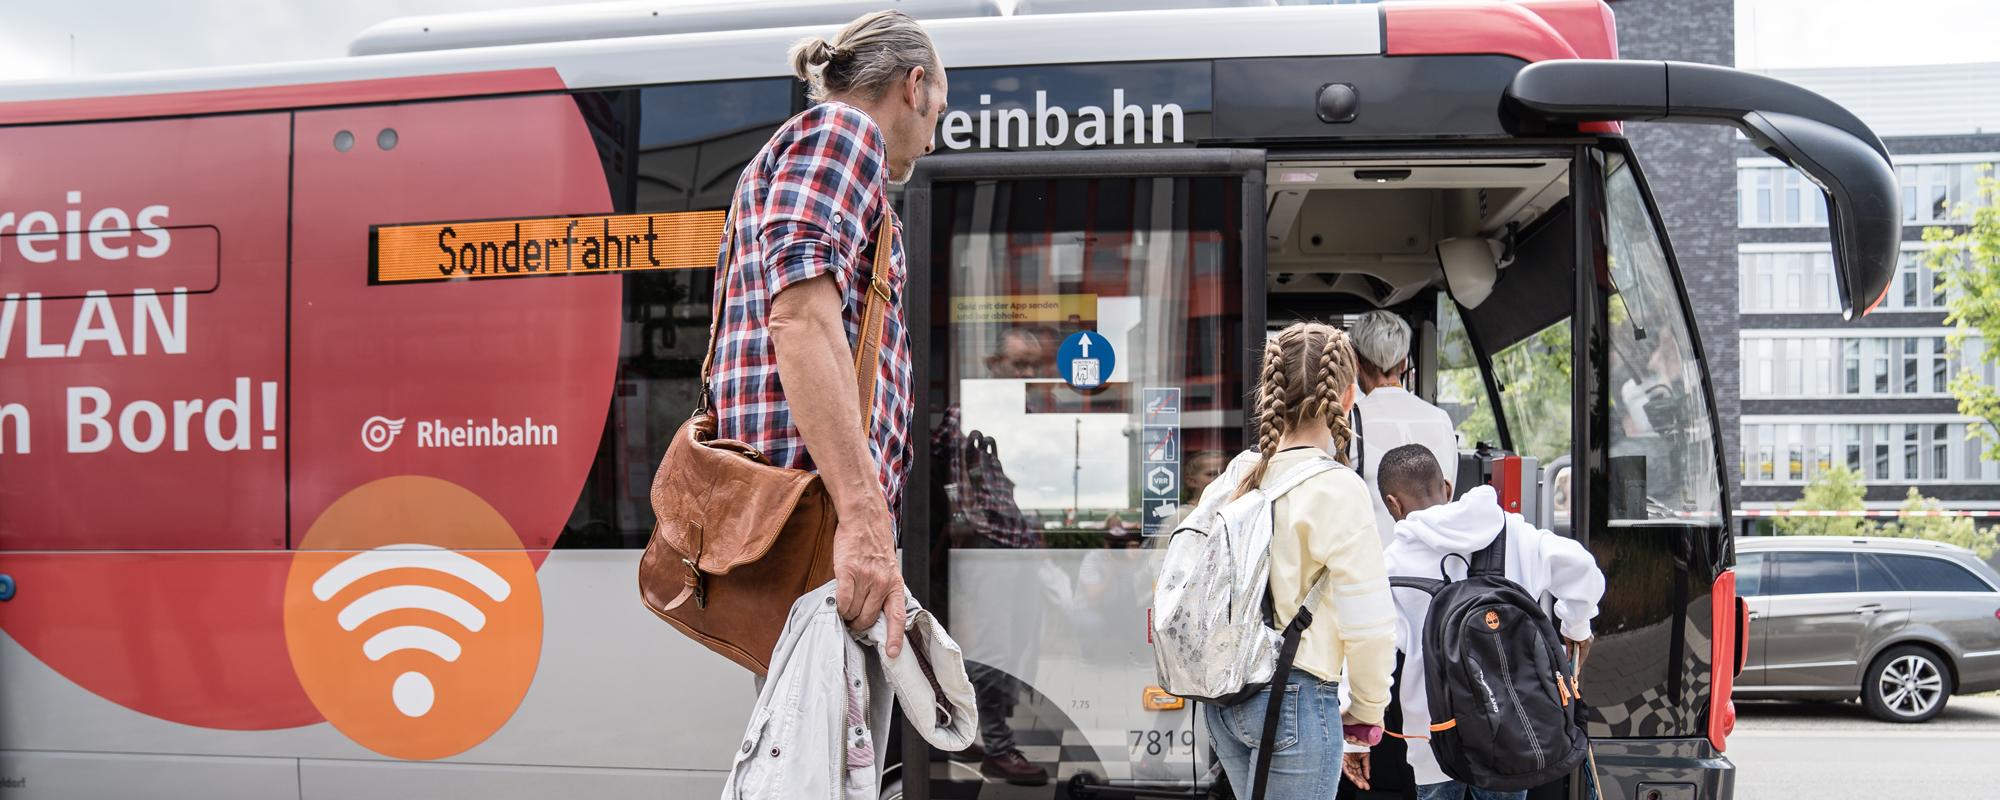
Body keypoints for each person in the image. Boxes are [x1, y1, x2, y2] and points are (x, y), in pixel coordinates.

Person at [710, 10, 946, 663]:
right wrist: (864, 517)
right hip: (820, 527)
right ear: (915, 85)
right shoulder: (844, 131)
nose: (931, 142)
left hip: (815, 523)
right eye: (938, 114)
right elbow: (803, 318)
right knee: (822, 762)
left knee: (822, 761)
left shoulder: (821, 143)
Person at [1193, 321, 1397, 799]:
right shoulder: (1338, 488)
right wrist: (1367, 712)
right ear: (1348, 398)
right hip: (1297, 697)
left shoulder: (1240, 474)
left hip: (1225, 698)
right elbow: (1369, 628)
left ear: (1270, 393)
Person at [1350, 444, 1604, 800]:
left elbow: (1376, 660)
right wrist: (1576, 628)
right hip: (1513, 736)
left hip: (1434, 742)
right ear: (1448, 488)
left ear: (1393, 504)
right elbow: (1583, 569)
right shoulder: (1513, 533)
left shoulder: (1389, 567)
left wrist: (1360, 733)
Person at [1349, 311, 1461, 545]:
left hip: (1375, 568)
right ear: (1403, 362)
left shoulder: (1348, 421)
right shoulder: (1441, 419)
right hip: (1434, 569)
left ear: (1356, 362)